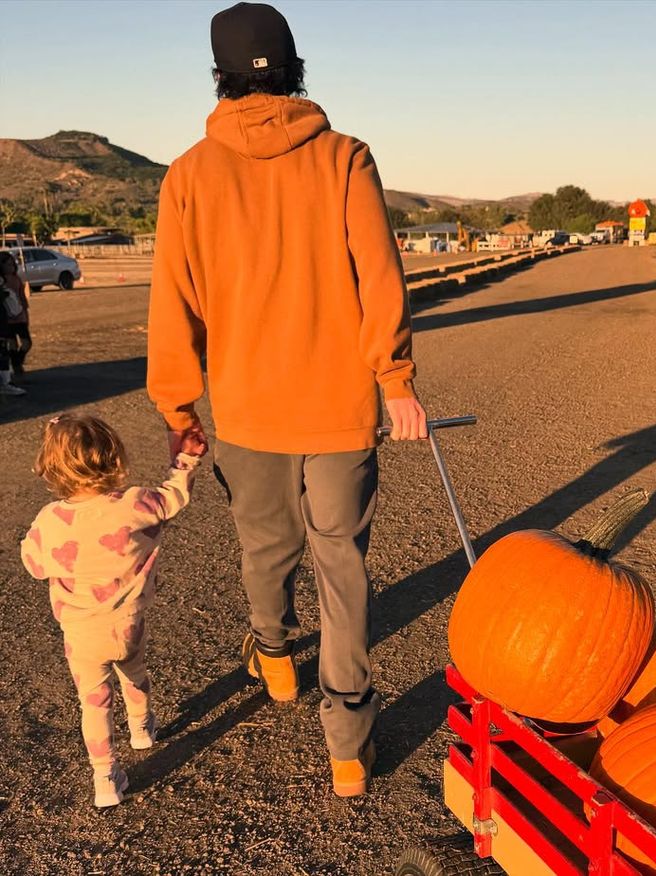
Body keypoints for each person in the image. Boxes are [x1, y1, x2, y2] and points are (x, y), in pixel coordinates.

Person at [146, 2, 427, 798]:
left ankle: (273, 657)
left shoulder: (188, 175)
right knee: (342, 566)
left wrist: (178, 408)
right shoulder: (345, 157)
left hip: (246, 410)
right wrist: (395, 380)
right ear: (296, 69)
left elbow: (173, 302)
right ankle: (349, 749)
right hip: (340, 408)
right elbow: (379, 276)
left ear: (219, 76)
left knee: (266, 547)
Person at [20, 414, 206, 807]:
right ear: (114, 456)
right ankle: (141, 729)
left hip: (81, 634)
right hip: (128, 624)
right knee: (134, 674)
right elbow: (173, 497)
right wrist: (185, 461)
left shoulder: (50, 520)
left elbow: (34, 565)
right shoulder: (134, 503)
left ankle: (105, 777)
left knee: (94, 701)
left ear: (50, 467)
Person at [1, 250, 31, 377]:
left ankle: (17, 361)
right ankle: (16, 367)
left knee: (27, 343)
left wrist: (26, 312)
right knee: (12, 344)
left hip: (20, 316)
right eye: (8, 265)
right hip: (7, 319)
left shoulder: (16, 279)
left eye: (12, 264)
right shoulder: (2, 281)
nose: (11, 267)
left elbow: (22, 296)